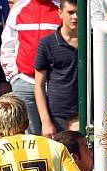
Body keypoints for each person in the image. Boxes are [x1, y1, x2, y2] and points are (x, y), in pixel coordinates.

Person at [1, 0, 62, 135]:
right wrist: (14, 77)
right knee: (30, 138)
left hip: (54, 84)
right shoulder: (18, 9)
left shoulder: (61, 9)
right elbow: (7, 44)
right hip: (24, 84)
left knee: (57, 136)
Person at [34, 0, 79, 138]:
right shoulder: (47, 43)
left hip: (88, 113)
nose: (75, 17)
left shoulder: (92, 40)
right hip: (58, 116)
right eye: (70, 12)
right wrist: (46, 121)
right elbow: (39, 86)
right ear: (60, 13)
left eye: (78, 13)